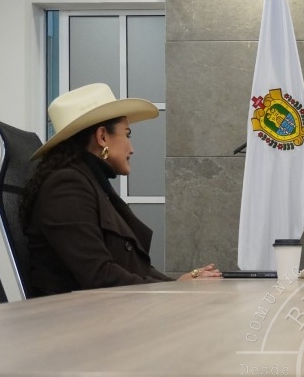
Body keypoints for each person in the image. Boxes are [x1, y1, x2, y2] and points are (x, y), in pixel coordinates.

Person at [21, 83, 221, 296]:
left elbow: (133, 269)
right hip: (79, 314)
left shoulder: (89, 183)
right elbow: (100, 277)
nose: (131, 148)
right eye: (127, 134)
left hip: (105, 308)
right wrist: (172, 289)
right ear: (102, 137)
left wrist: (177, 284)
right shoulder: (66, 188)